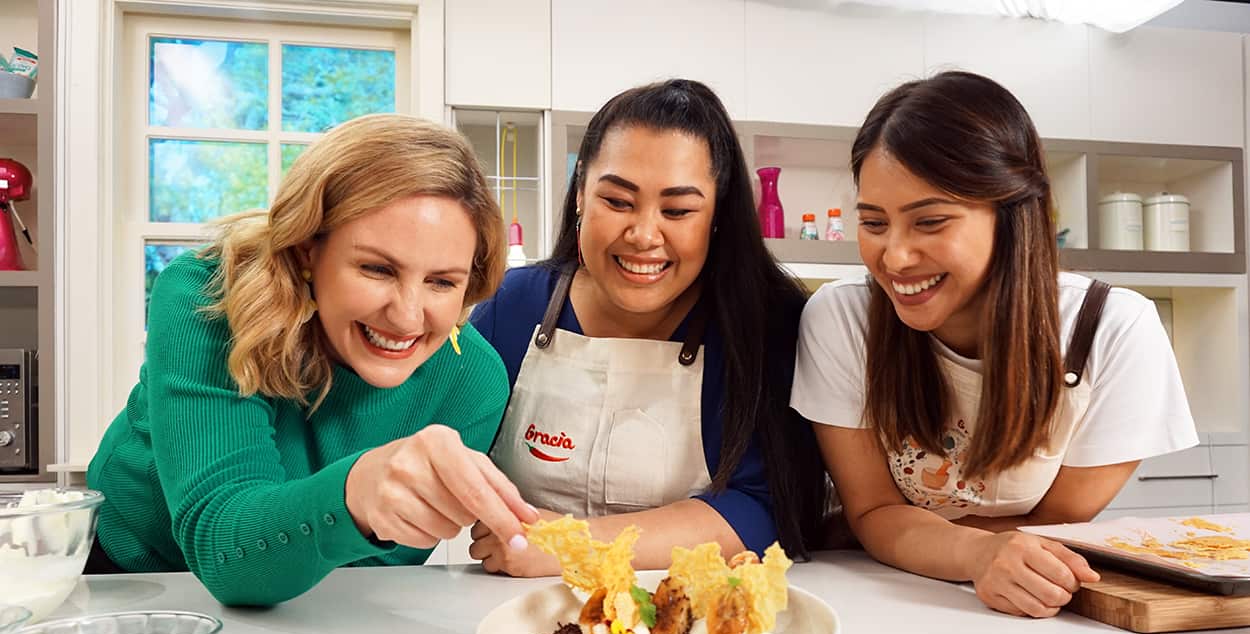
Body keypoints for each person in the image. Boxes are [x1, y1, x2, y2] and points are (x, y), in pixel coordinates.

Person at [791, 71, 1198, 618]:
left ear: (1011, 214)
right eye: (874, 222)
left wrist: (942, 541)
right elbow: (874, 512)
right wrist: (977, 550)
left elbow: (1055, 528)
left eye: (929, 221)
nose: (895, 257)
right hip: (879, 596)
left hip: (1015, 606)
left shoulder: (1113, 330)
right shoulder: (843, 320)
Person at [87, 114, 537, 605]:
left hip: (310, 601)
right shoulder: (207, 300)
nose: (408, 317)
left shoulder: (473, 381)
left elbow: (362, 574)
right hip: (128, 579)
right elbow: (222, 542)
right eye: (377, 268)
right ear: (307, 250)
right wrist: (355, 493)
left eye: (442, 282)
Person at [469, 79, 829, 576]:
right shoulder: (510, 306)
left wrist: (570, 546)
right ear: (579, 197)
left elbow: (766, 507)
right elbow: (449, 459)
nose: (642, 235)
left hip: (693, 619)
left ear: (718, 216)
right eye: (617, 201)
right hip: (519, 612)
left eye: (678, 210)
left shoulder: (763, 327)